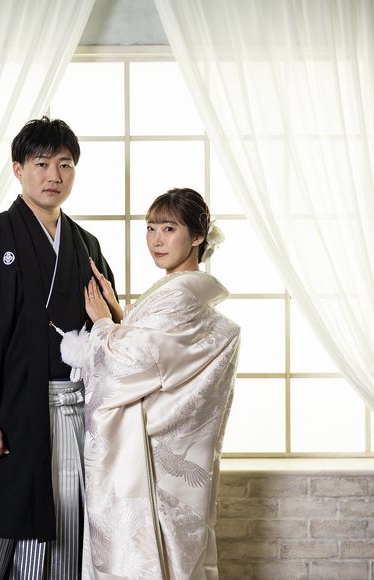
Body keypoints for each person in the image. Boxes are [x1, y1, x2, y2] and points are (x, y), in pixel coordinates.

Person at [0, 117, 117, 580]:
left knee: (66, 525)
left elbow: (108, 333)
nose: (54, 175)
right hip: (7, 414)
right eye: (41, 164)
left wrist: (113, 315)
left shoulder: (87, 245)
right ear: (18, 169)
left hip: (73, 416)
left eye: (65, 165)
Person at [60, 187, 240, 579]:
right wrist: (121, 316)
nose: (156, 239)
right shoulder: (182, 294)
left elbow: (127, 365)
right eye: (150, 228)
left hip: (155, 465)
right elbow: (158, 357)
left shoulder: (180, 297)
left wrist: (103, 324)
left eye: (169, 229)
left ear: (197, 236)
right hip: (173, 467)